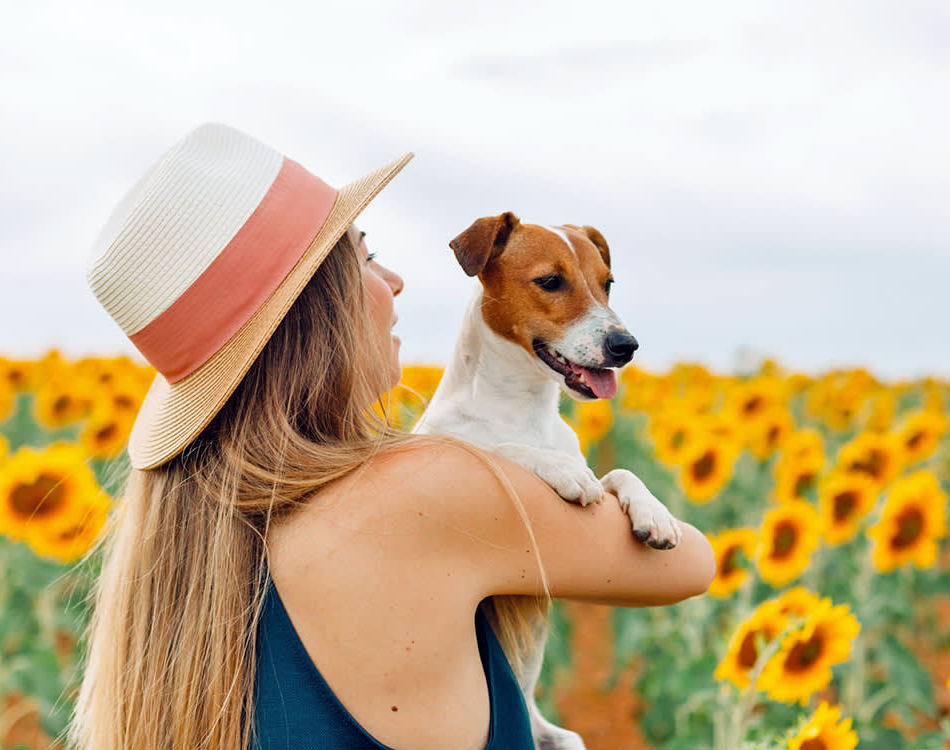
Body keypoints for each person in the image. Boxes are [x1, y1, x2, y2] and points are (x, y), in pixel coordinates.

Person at [72, 122, 715, 750]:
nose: (397, 278)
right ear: (314, 312)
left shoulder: (194, 550)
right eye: (366, 254)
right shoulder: (435, 483)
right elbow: (688, 565)